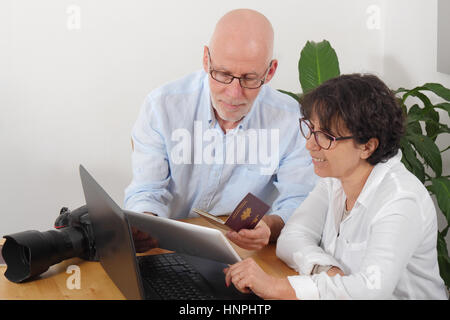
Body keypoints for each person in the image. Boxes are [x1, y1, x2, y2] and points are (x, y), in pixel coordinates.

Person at [224, 73, 448, 299]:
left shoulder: (401, 199)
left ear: (367, 146)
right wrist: (326, 270)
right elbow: (293, 235)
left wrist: (275, 287)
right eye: (311, 129)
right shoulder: (335, 179)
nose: (310, 144)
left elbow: (372, 290)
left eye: (325, 136)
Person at [124, 9, 316, 252]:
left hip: (246, 254)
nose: (234, 94)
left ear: (270, 72)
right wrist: (145, 223)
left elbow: (299, 199)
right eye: (223, 74)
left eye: (249, 79)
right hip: (167, 247)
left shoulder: (290, 119)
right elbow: (147, 191)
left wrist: (270, 225)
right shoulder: (162, 107)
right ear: (206, 59)